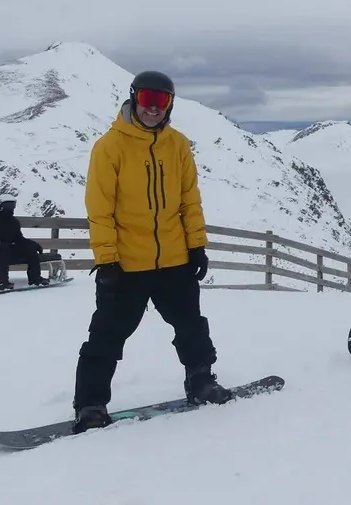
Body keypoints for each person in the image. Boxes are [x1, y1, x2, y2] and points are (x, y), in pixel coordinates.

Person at [71, 70, 233, 432]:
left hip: (174, 260)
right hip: (126, 265)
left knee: (192, 326)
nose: (153, 108)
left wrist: (197, 246)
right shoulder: (110, 146)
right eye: (147, 99)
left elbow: (189, 200)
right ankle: (90, 404)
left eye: (162, 101)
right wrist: (107, 260)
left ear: (170, 105)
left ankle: (201, 381)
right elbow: (100, 209)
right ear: (134, 99)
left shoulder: (177, 145)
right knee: (107, 336)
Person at [0, 196, 48, 290]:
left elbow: (19, 239)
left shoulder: (14, 222)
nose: (11, 208)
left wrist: (33, 244)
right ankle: (1, 282)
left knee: (31, 251)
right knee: (1, 253)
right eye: (8, 205)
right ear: (0, 206)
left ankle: (35, 279)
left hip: (8, 251)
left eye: (13, 205)